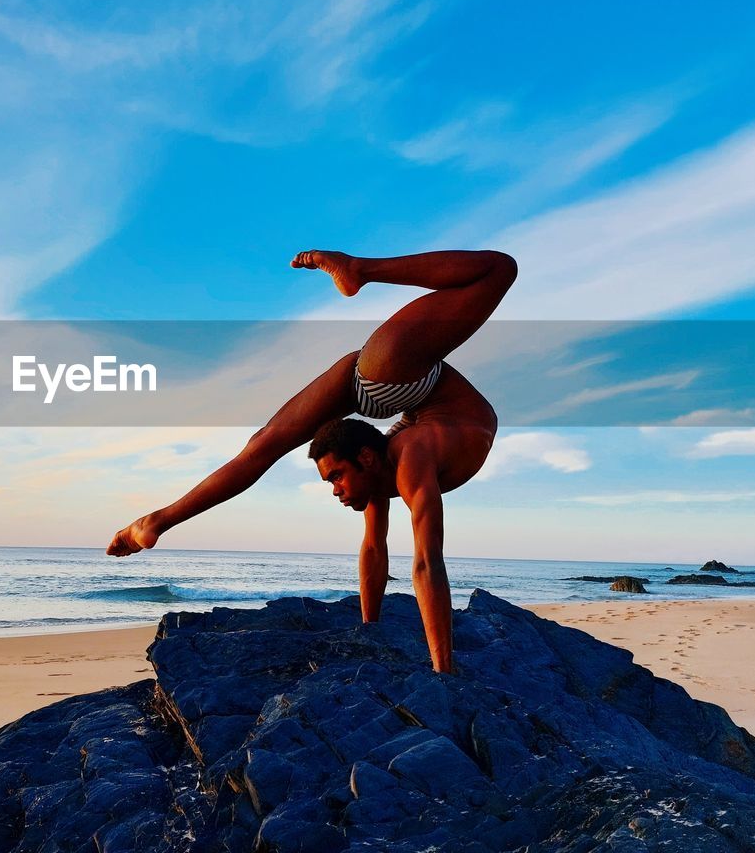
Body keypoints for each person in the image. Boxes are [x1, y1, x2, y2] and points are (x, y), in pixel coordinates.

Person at [106, 249, 517, 673]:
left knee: (499, 269)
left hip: (393, 371)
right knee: (262, 443)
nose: (336, 490)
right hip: (399, 377)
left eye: (336, 477)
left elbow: (422, 561)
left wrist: (440, 670)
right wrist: (370, 635)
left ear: (364, 457)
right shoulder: (390, 464)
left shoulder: (399, 464)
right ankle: (157, 521)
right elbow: (383, 551)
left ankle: (361, 269)